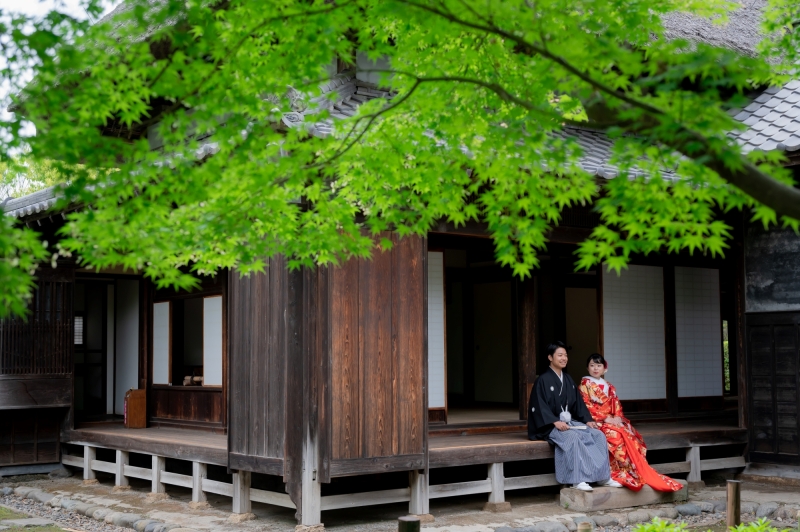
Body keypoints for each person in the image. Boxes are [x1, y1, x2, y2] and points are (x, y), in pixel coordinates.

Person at [579, 353, 683, 492]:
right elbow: (586, 406)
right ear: (587, 368)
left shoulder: (609, 386)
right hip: (596, 420)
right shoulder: (584, 385)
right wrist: (605, 418)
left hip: (612, 420)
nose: (595, 368)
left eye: (599, 365)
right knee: (615, 437)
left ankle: (632, 470)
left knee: (631, 433)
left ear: (604, 368)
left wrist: (617, 417)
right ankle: (616, 472)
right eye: (592, 365)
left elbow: (617, 405)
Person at [528, 341, 622, 492]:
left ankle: (603, 476)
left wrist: (588, 420)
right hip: (549, 425)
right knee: (573, 437)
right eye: (560, 355)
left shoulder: (568, 379)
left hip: (568, 422)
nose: (564, 358)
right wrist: (554, 421)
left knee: (597, 435)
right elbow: (539, 406)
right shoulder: (543, 380)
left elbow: (578, 404)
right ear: (550, 357)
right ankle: (576, 480)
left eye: (565, 355)